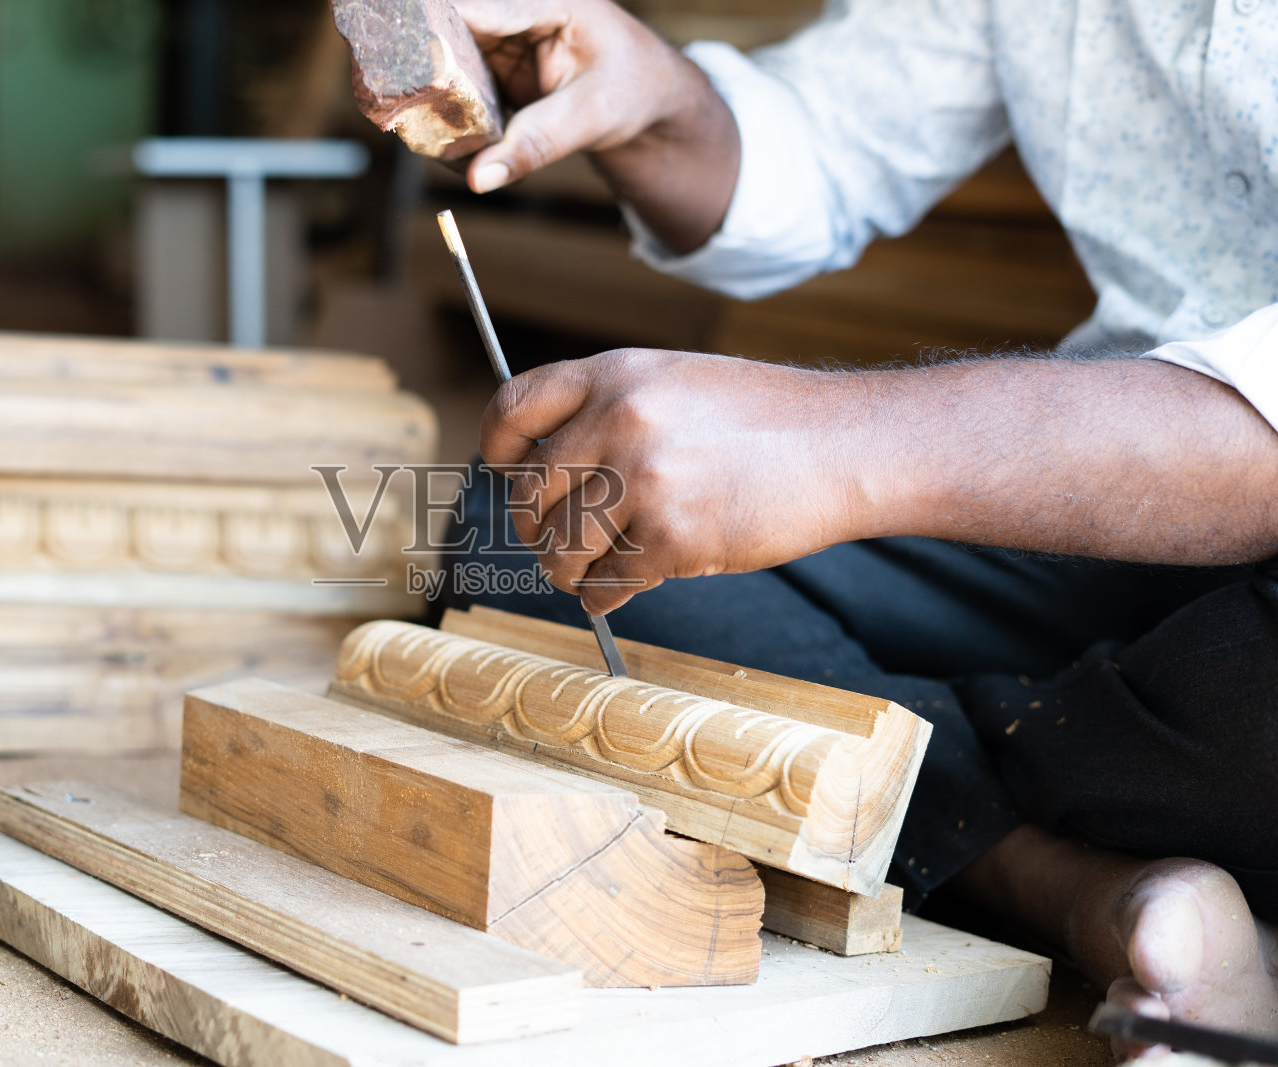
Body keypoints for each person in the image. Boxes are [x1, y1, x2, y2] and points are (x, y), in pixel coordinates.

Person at [435, 0, 1278, 1057]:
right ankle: (1073, 883)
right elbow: (828, 144)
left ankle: (931, 783)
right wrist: (662, 103)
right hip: (1095, 493)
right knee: (533, 529)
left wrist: (831, 446)